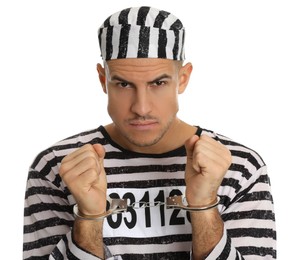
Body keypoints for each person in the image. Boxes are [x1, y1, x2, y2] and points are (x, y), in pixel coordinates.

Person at [23, 6, 276, 260]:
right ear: (103, 80)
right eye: (123, 83)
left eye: (158, 83)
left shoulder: (239, 167)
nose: (141, 108)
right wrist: (88, 218)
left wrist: (205, 206)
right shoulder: (58, 167)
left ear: (184, 78)